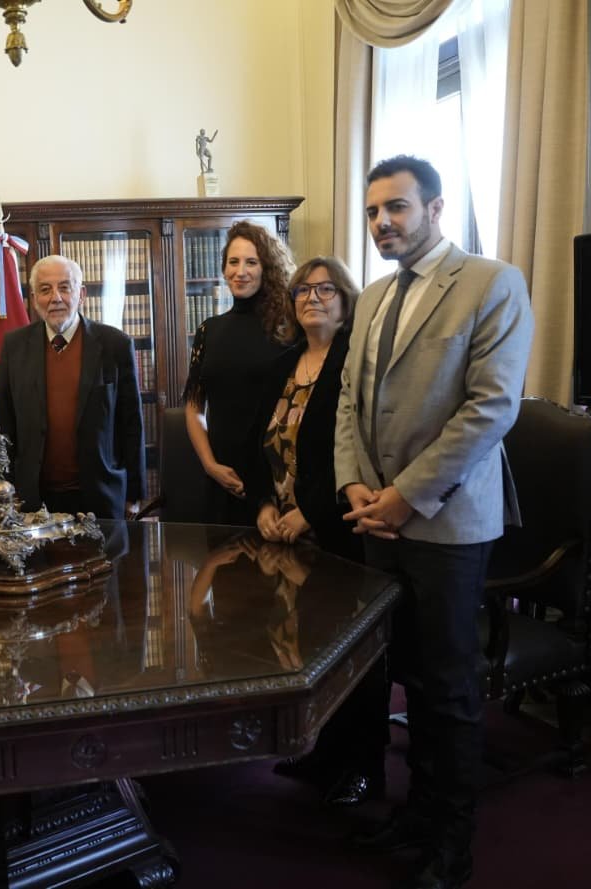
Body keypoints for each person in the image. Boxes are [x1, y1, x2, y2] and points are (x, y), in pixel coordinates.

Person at [335, 155, 534, 889]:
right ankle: (417, 814)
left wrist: (405, 495)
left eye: (397, 207)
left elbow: (491, 408)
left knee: (448, 688)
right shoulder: (372, 297)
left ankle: (453, 842)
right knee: (407, 676)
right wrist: (355, 484)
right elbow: (350, 402)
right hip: (376, 518)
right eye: (373, 211)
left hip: (446, 522)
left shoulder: (492, 282)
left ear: (435, 207)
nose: (382, 222)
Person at [248, 256, 388, 807]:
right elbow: (257, 445)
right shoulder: (283, 364)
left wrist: (311, 512)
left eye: (326, 289)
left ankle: (364, 767)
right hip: (283, 537)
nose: (313, 298)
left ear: (346, 300)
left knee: (351, 655)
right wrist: (263, 503)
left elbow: (356, 449)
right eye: (303, 290)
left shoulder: (355, 362)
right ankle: (318, 750)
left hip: (335, 532)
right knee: (302, 649)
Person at [0, 254, 145, 519]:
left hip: (100, 496)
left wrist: (134, 494)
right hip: (33, 499)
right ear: (34, 299)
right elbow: (4, 424)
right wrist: (6, 488)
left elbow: (131, 424)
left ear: (81, 294)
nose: (56, 298)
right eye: (45, 290)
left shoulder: (115, 345)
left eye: (65, 287)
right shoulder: (14, 347)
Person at [182, 220, 296, 525]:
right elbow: (194, 407)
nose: (240, 271)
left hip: (274, 478)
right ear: (223, 268)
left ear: (267, 268)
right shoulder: (209, 330)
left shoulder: (288, 329)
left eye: (251, 262)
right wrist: (209, 465)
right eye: (233, 262)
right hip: (221, 476)